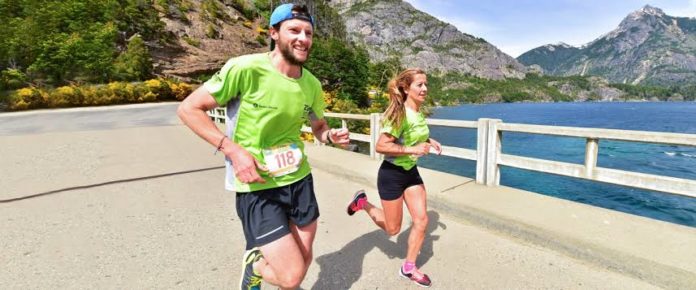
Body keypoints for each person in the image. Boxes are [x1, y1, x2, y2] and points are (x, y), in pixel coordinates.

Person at [177, 3, 350, 290]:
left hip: (299, 179)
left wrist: (331, 136)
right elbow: (189, 109)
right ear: (274, 33)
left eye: (308, 33)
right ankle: (254, 264)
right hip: (258, 185)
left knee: (303, 263)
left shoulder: (312, 85)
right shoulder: (245, 68)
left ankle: (262, 268)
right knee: (292, 276)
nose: (303, 38)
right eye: (294, 30)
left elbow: (319, 127)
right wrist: (232, 150)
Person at [346, 68, 441, 288]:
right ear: (406, 88)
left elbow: (415, 133)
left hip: (411, 173)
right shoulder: (399, 114)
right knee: (393, 229)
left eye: (426, 84)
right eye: (419, 85)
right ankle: (362, 203)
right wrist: (413, 149)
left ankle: (408, 267)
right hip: (392, 175)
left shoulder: (418, 112)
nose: (425, 89)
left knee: (422, 221)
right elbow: (381, 145)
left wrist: (429, 140)